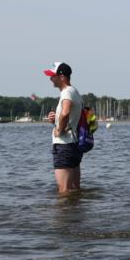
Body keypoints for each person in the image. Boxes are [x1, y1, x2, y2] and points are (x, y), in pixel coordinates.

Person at [43, 62, 83, 193]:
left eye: (53, 76)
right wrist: (55, 120)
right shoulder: (74, 91)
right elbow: (70, 116)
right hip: (74, 145)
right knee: (75, 190)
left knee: (64, 191)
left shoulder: (66, 93)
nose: (50, 79)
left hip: (64, 145)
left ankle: (63, 213)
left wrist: (59, 130)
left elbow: (66, 112)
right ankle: (75, 213)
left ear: (62, 76)